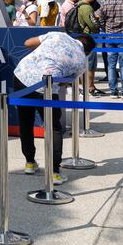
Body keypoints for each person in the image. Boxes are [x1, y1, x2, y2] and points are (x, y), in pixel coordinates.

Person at [13, 32, 95, 185]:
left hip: (22, 76)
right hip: (47, 87)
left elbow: (28, 42)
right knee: (54, 128)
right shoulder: (81, 63)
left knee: (25, 122)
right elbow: (64, 83)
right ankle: (54, 172)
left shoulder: (58, 35)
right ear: (88, 51)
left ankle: (29, 163)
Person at [76, 0, 103, 96]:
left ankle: (84, 86)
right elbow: (92, 25)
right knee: (90, 64)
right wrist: (97, 21)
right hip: (89, 38)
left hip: (81, 36)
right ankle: (90, 87)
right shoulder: (87, 8)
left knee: (84, 63)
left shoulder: (78, 5)